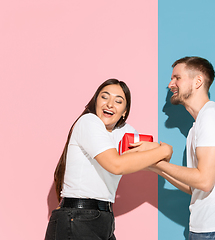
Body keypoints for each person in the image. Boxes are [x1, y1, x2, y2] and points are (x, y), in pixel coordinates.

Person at [132, 56, 215, 240]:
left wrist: (155, 161)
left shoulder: (212, 117)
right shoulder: (197, 126)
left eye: (177, 78)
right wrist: (152, 165)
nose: (170, 84)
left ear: (198, 81)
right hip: (206, 230)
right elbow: (195, 187)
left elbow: (204, 181)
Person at [45, 79, 172, 240]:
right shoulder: (89, 122)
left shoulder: (123, 132)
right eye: (104, 97)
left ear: (124, 112)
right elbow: (116, 165)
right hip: (77, 217)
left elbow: (152, 158)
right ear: (95, 101)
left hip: (103, 218)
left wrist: (163, 152)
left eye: (118, 101)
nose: (110, 104)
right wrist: (166, 149)